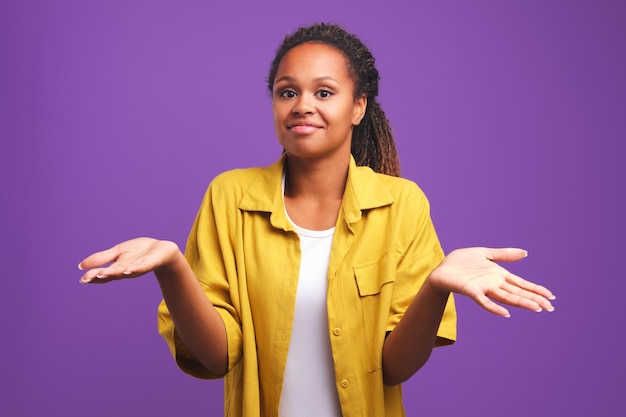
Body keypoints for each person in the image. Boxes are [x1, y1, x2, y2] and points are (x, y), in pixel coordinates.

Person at [78, 23, 555, 417]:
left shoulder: (403, 205)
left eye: (324, 91)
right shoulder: (228, 197)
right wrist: (172, 267)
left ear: (358, 107)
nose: (302, 104)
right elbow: (216, 356)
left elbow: (393, 368)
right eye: (287, 92)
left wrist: (436, 286)